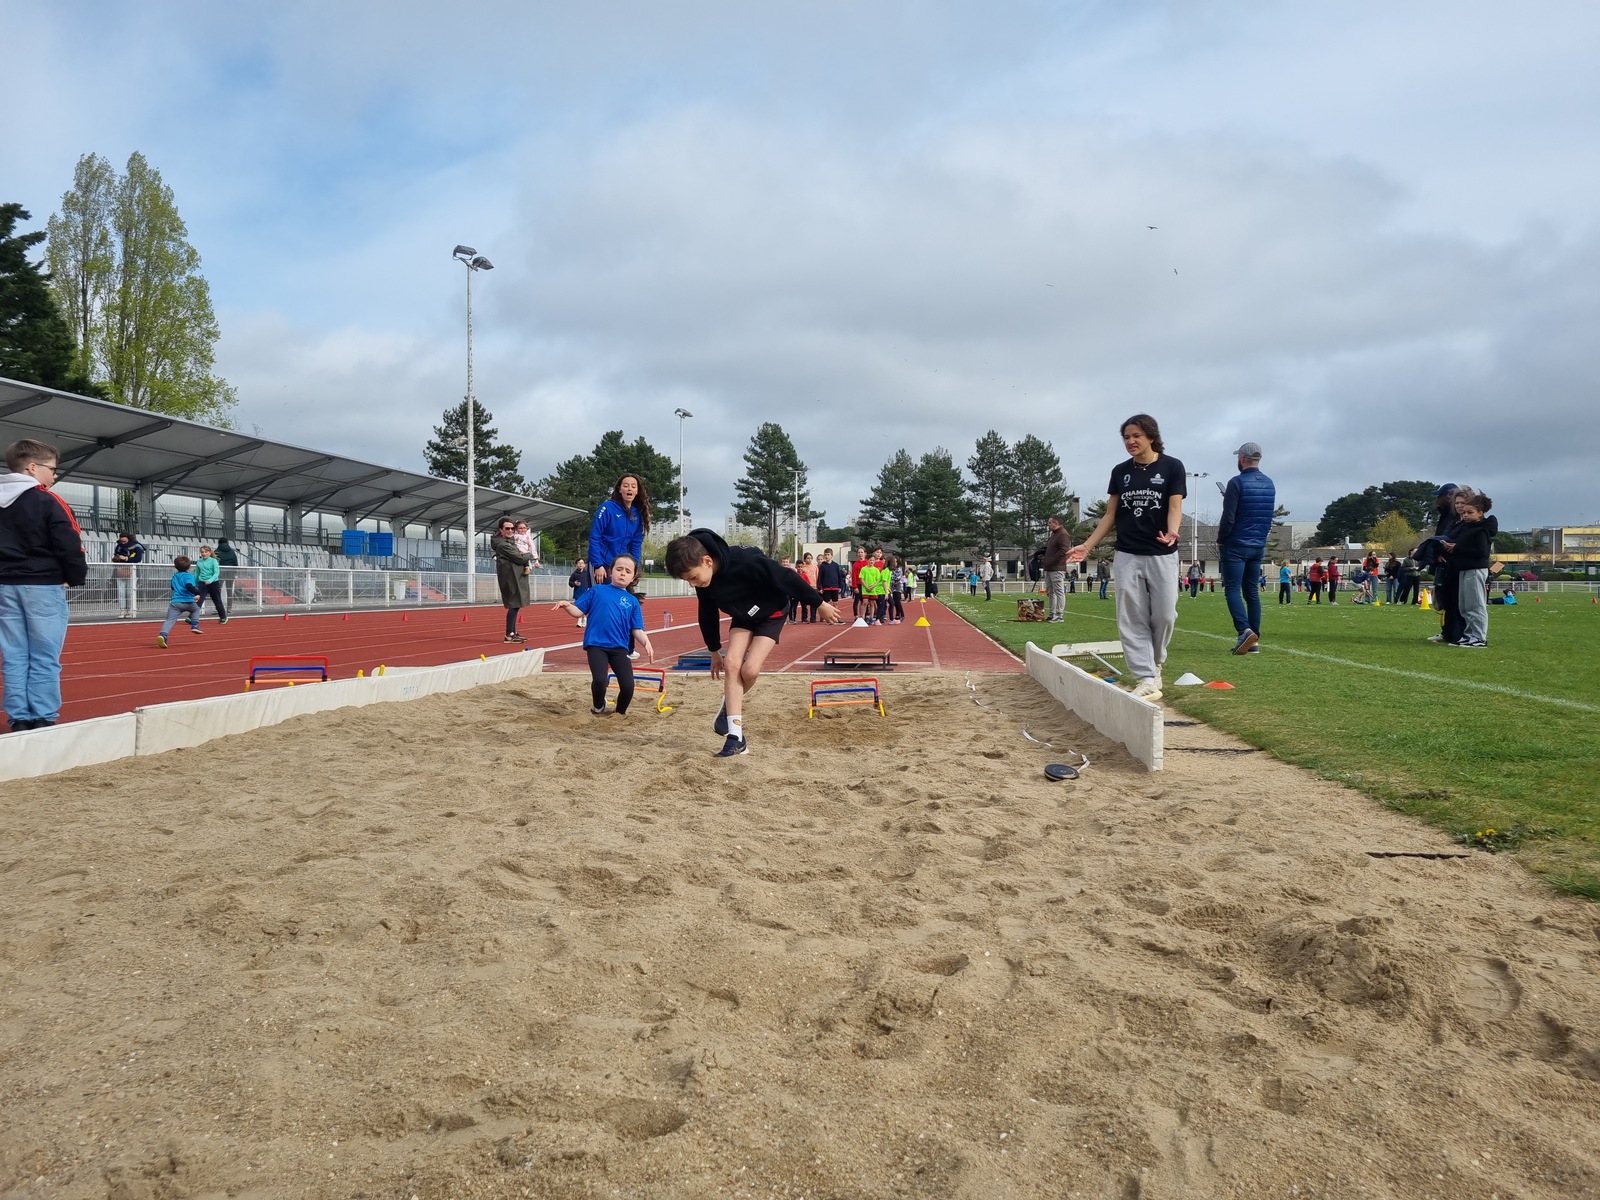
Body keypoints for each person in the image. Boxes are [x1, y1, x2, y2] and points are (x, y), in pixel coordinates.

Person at [666, 527, 839, 757]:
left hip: (771, 614)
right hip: (743, 617)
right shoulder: (704, 585)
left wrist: (819, 603)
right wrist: (714, 650)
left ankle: (729, 704)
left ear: (707, 561)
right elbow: (707, 614)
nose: (692, 584)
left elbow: (786, 577)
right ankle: (736, 738)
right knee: (731, 663)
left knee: (749, 670)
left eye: (693, 578)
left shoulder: (745, 560)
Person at [1066, 413, 1185, 701]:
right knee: (1131, 617)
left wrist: (1173, 531)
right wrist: (1087, 546)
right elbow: (1111, 515)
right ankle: (1146, 677)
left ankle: (1155, 664)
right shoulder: (1120, 472)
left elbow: (1174, 507)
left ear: (1151, 436)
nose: (1130, 441)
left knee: (1165, 614)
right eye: (1126, 437)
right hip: (1128, 553)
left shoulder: (1172, 466)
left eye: (1136, 436)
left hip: (1162, 553)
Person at [0, 439, 88, 732]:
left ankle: (19, 718)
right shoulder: (48, 500)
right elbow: (69, 542)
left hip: (4, 586)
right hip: (41, 584)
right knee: (44, 654)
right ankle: (42, 716)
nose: (54, 475)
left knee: (14, 654)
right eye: (52, 469)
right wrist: (75, 577)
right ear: (32, 467)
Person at [552, 553, 654, 714]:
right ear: (610, 571)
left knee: (628, 686)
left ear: (633, 578)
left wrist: (646, 643)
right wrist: (567, 605)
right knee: (600, 680)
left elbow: (637, 629)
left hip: (619, 648)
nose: (622, 573)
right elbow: (578, 611)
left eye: (627, 571)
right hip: (596, 645)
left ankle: (619, 714)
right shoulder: (597, 590)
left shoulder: (632, 601)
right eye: (619, 569)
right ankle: (598, 706)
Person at [1216, 441, 1274, 654]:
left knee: (1232, 589)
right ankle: (1254, 639)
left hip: (1236, 544)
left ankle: (1244, 631)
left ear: (1241, 459)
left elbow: (1229, 517)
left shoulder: (1236, 483)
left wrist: (1221, 538)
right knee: (1252, 592)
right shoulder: (1269, 483)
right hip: (1257, 544)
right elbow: (1264, 514)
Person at [1441, 490, 1494, 647]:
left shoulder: (1481, 530)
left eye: (1470, 512)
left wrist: (1457, 548)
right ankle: (1469, 634)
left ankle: (1479, 637)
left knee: (1476, 605)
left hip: (1475, 570)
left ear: (1480, 513)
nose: (1465, 515)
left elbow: (1482, 552)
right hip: (1464, 569)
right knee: (1465, 606)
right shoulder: (1467, 528)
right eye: (1464, 512)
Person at [589, 474, 649, 589]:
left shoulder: (637, 514)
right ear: (619, 489)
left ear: (637, 491)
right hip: (603, 563)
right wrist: (598, 565)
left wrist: (634, 566)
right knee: (600, 596)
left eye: (633, 486)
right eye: (625, 486)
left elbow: (636, 543)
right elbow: (594, 537)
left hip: (621, 565)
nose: (629, 489)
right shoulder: (607, 508)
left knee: (620, 597)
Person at [491, 517, 532, 643]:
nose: (510, 531)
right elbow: (519, 558)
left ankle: (513, 631)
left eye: (512, 528)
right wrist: (529, 553)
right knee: (514, 604)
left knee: (516, 604)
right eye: (507, 528)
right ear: (501, 529)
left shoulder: (510, 542)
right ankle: (509, 634)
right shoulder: (503, 545)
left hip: (515, 576)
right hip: (511, 578)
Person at [156, 555, 204, 648]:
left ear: (175, 566)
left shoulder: (175, 576)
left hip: (176, 602)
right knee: (196, 609)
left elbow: (172, 587)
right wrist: (197, 593)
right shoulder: (189, 576)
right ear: (189, 567)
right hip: (189, 601)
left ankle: (163, 635)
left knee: (169, 620)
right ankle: (194, 625)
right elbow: (189, 586)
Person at [1041, 515, 1072, 622]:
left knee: (1059, 591)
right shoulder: (1054, 534)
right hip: (1050, 568)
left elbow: (1063, 550)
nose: (1048, 524)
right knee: (1050, 592)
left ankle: (1059, 615)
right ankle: (1052, 613)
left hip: (1057, 568)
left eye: (1050, 522)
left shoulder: (1063, 534)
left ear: (1056, 523)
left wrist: (1051, 560)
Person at [111, 531, 145, 618]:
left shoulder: (137, 546)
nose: (123, 543)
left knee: (130, 591)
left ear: (129, 539)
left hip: (133, 571)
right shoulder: (119, 546)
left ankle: (131, 610)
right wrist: (117, 558)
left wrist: (126, 558)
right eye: (121, 541)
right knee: (121, 592)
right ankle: (122, 610)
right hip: (120, 570)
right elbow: (115, 556)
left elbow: (138, 559)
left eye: (124, 541)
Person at [193, 544, 228, 624]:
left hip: (213, 583)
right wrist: (195, 584)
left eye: (206, 552)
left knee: (217, 600)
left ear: (209, 552)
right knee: (199, 600)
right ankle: (192, 617)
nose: (204, 553)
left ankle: (223, 617)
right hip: (202, 583)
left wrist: (210, 580)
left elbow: (216, 573)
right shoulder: (199, 561)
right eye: (202, 552)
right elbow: (196, 574)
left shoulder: (213, 561)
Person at [567, 556, 591, 627]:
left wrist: (589, 588)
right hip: (578, 592)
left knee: (585, 606)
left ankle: (585, 619)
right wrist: (574, 583)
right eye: (579, 563)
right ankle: (580, 620)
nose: (580, 564)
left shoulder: (587, 573)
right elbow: (570, 583)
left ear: (584, 564)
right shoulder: (574, 574)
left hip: (586, 592)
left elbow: (591, 582)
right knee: (578, 606)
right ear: (576, 564)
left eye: (582, 563)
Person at [797, 552, 819, 622]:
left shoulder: (815, 567)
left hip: (814, 586)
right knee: (804, 604)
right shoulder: (803, 567)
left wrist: (818, 586)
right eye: (807, 558)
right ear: (804, 559)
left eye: (810, 558)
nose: (809, 560)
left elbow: (817, 576)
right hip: (806, 588)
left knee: (814, 604)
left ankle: (813, 617)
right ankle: (804, 617)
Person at [850, 547, 870, 617]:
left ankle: (866, 615)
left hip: (866, 585)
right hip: (858, 585)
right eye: (859, 552)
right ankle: (856, 615)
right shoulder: (855, 564)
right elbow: (854, 576)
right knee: (856, 601)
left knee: (865, 601)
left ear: (865, 553)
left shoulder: (867, 563)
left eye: (862, 552)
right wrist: (855, 587)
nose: (860, 554)